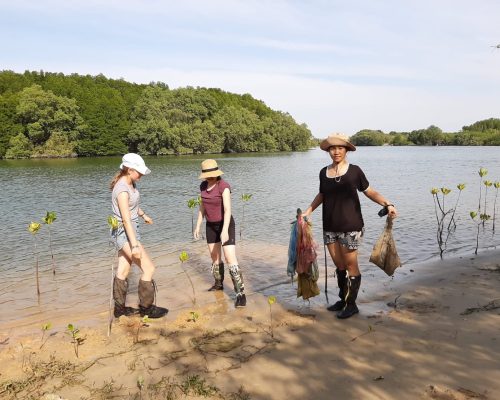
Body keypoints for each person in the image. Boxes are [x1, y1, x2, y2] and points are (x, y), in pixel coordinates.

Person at [303, 134, 398, 319]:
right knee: (338, 265)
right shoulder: (324, 172)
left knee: (350, 264)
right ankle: (343, 298)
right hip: (329, 225)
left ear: (346, 150)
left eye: (340, 148)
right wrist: (308, 211)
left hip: (351, 225)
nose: (336, 151)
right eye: (332, 148)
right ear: (328, 151)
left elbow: (370, 191)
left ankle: (351, 304)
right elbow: (322, 194)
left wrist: (388, 204)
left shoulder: (355, 171)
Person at [110, 153, 168, 319]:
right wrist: (134, 245)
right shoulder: (121, 189)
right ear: (129, 170)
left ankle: (119, 311)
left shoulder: (130, 183)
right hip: (125, 232)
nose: (141, 174)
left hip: (129, 231)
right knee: (149, 268)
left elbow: (133, 207)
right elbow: (126, 219)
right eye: (139, 171)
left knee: (123, 269)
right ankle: (146, 309)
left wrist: (143, 215)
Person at [194, 159, 246, 308]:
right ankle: (218, 284)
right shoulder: (203, 186)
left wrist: (224, 230)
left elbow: (228, 210)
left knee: (230, 258)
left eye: (212, 175)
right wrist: (198, 226)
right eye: (207, 175)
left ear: (217, 173)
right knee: (214, 257)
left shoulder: (224, 186)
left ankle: (240, 294)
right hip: (210, 225)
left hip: (226, 225)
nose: (210, 177)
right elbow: (202, 207)